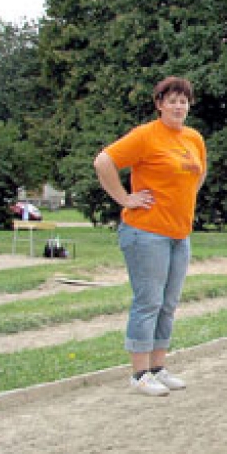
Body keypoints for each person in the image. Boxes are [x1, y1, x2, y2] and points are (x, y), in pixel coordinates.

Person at [93, 76, 206, 397]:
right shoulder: (146, 135)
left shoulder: (194, 138)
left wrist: (182, 199)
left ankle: (158, 367)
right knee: (149, 301)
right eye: (172, 101)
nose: (178, 106)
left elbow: (199, 173)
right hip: (146, 233)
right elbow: (104, 162)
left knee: (168, 304)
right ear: (160, 104)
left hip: (179, 233)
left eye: (183, 101)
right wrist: (125, 198)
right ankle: (139, 374)